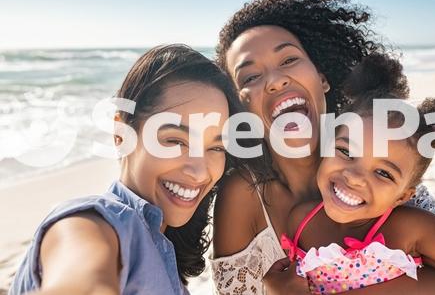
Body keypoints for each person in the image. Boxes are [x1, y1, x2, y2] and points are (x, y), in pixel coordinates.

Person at [211, 0, 435, 294]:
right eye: (249, 77)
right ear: (239, 108)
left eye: (288, 59)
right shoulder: (243, 196)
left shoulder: (383, 165)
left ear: (322, 77)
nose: (275, 80)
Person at [9, 44, 254, 295]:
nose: (200, 172)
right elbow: (83, 276)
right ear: (121, 133)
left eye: (216, 147)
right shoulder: (92, 224)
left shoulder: (162, 246)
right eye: (175, 141)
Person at [280, 54, 435, 294]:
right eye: (345, 151)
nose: (354, 177)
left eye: (383, 173)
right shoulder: (300, 220)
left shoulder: (409, 228)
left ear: (403, 196)